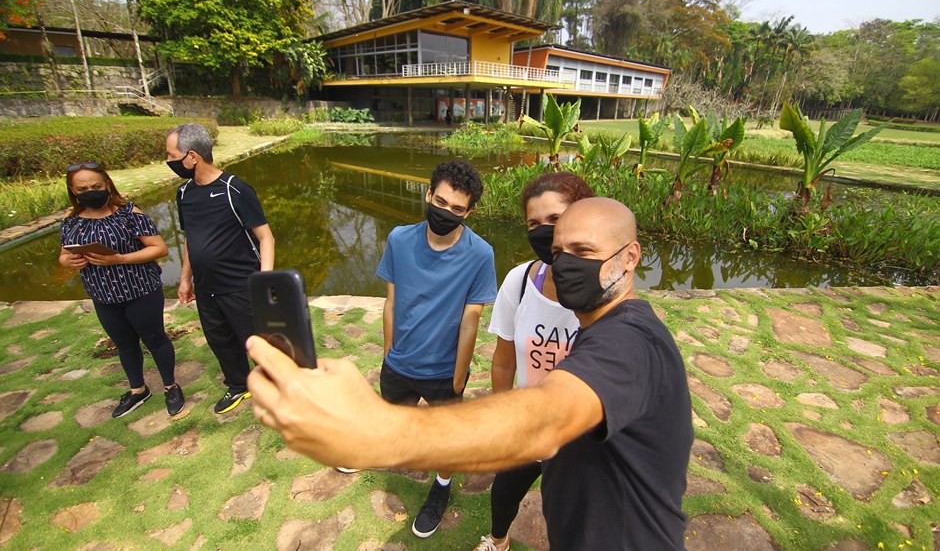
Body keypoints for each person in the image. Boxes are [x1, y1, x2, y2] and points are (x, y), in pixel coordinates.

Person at [247, 197, 693, 550]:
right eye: (559, 253)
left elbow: (544, 420)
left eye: (584, 252)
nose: (566, 264)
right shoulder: (598, 328)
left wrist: (373, 430)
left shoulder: (633, 340)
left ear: (630, 256)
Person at [340, 159, 497, 539]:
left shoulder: (481, 254)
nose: (446, 212)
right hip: (400, 362)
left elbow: (469, 320)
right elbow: (391, 303)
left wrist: (459, 378)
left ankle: (441, 487)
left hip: (445, 371)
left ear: (469, 212)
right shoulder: (398, 239)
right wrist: (389, 352)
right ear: (428, 194)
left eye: (457, 209)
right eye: (440, 202)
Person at [474, 172, 593, 551]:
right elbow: (504, 360)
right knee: (503, 496)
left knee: (568, 516)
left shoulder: (606, 293)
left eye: (555, 220)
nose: (545, 232)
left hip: (581, 437)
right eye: (534, 224)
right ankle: (498, 541)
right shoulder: (520, 281)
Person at [58, 162, 184, 418]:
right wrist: (68, 261)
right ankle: (138, 390)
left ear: (107, 185)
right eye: (82, 188)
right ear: (73, 190)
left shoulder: (129, 213)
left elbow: (159, 248)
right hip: (103, 296)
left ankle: (171, 386)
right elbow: (64, 254)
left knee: (155, 339)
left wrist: (119, 259)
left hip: (140, 290)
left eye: (96, 186)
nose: (90, 192)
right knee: (125, 345)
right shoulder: (71, 222)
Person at [165, 123, 275, 414]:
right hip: (206, 286)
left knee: (257, 341)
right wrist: (186, 279)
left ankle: (278, 386)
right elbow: (190, 238)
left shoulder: (234, 190)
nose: (168, 162)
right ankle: (240, 385)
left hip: (241, 284)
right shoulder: (184, 193)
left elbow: (266, 238)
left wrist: (265, 281)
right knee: (220, 340)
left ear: (191, 157)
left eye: (170, 155)